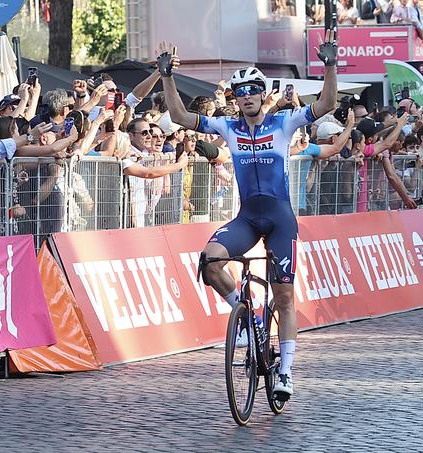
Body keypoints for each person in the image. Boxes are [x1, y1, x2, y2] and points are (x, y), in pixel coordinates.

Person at [156, 29, 337, 401]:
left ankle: (285, 372)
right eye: (240, 92)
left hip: (281, 219)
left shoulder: (283, 122)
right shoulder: (228, 127)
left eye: (253, 89)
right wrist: (166, 75)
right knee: (209, 261)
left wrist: (330, 65)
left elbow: (327, 103)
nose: (247, 96)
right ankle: (248, 318)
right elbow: (177, 114)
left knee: (285, 298)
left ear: (264, 93)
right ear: (235, 100)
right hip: (247, 219)